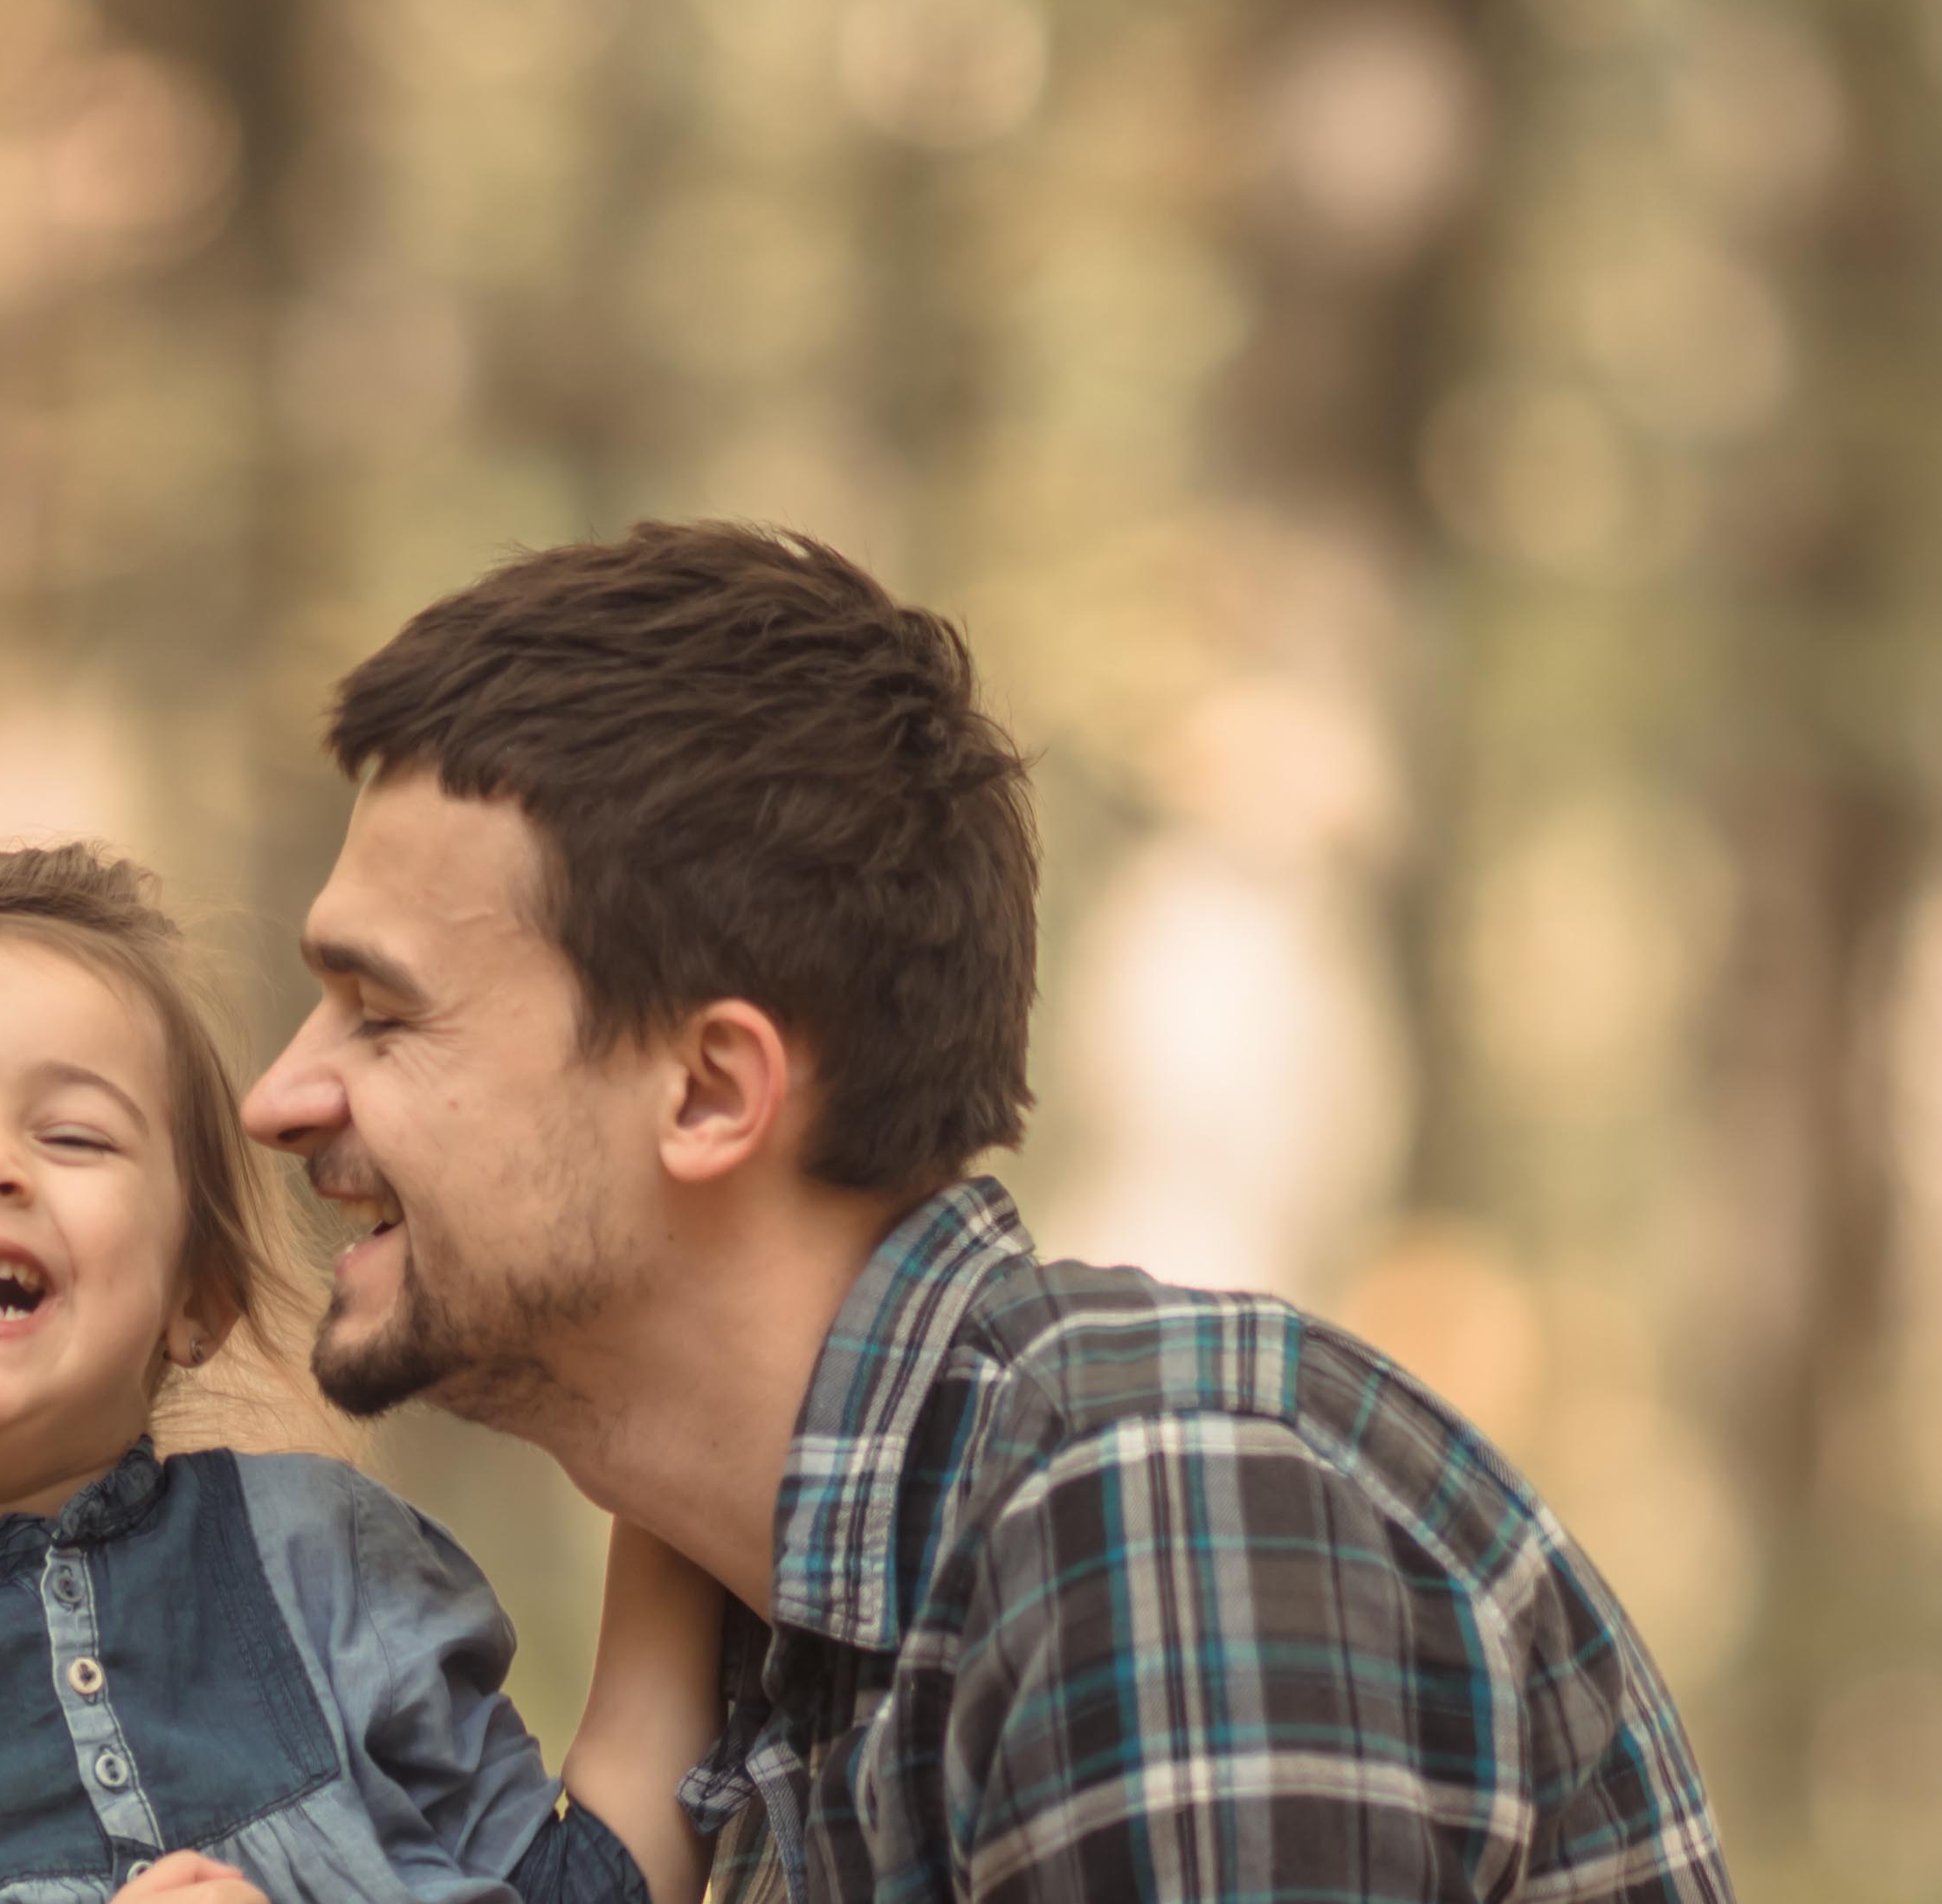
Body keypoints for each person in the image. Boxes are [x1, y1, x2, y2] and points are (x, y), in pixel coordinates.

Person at [244, 522, 1732, 1901]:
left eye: (380, 1014)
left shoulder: (1143, 1506)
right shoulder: (801, 1675)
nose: (276, 1097)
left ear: (707, 1092)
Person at [0, 843, 726, 1904]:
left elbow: (582, 1882)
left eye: (72, 1134)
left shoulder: (322, 1560)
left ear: (199, 1296)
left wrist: (684, 1377)